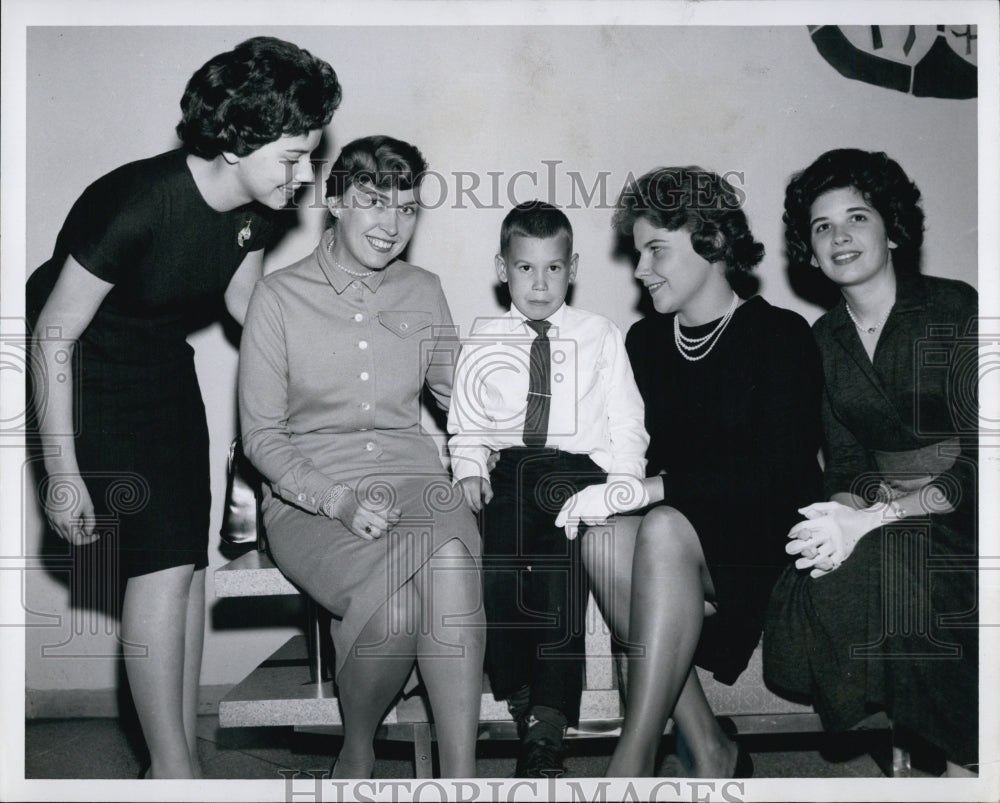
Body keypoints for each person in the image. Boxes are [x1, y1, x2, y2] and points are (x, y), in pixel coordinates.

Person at [26, 37, 340, 779]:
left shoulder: (258, 207)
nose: (304, 178)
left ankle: (171, 760)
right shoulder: (134, 202)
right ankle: (173, 772)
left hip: (161, 362)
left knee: (188, 562)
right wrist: (61, 470)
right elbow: (52, 335)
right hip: (81, 368)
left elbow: (243, 296)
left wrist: (313, 367)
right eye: (293, 157)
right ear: (234, 142)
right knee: (160, 565)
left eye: (311, 157)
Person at [561, 167, 824, 777]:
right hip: (674, 549)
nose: (639, 270)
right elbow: (616, 451)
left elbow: (778, 472)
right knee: (602, 538)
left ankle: (629, 762)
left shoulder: (781, 334)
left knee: (662, 525)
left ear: (712, 243)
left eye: (656, 250)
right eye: (637, 251)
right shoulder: (645, 343)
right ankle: (709, 747)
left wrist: (653, 489)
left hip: (762, 546)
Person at [238, 136, 485, 779]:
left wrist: (486, 451)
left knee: (452, 557)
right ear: (336, 202)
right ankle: (358, 745)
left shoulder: (424, 290)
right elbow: (262, 436)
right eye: (374, 202)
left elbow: (460, 399)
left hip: (414, 480)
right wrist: (337, 500)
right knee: (398, 608)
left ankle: (460, 781)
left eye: (406, 208)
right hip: (313, 497)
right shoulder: (278, 298)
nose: (392, 224)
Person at [764, 149, 979, 776]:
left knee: (892, 560)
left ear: (891, 227)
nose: (840, 237)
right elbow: (849, 461)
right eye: (822, 226)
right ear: (808, 247)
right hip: (891, 514)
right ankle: (920, 754)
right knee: (823, 573)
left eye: (856, 218)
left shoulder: (953, 307)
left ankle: (962, 761)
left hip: (971, 506)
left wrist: (881, 520)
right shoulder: (822, 339)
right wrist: (846, 514)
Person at [447, 201, 649, 777]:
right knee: (499, 567)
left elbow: (625, 419)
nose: (540, 283)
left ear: (573, 267)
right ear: (501, 268)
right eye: (526, 268)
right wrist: (469, 471)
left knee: (561, 568)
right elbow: (467, 424)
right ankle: (519, 698)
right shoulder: (484, 338)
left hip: (575, 470)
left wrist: (624, 485)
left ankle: (552, 719)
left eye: (554, 269)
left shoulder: (600, 335)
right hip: (509, 468)